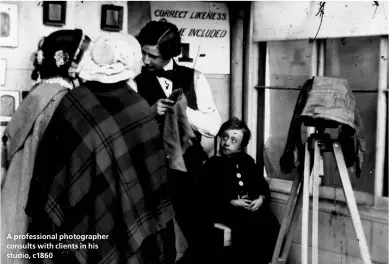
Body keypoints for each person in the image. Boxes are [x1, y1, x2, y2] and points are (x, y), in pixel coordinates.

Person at [24, 34, 176, 264]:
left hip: (80, 213)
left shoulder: (73, 101)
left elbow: (48, 166)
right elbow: (152, 177)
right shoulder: (140, 107)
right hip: (126, 216)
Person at [134, 20, 221, 263]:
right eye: (142, 52)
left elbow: (214, 127)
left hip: (189, 173)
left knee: (203, 239)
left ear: (170, 53)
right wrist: (150, 113)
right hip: (149, 174)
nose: (145, 61)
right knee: (160, 245)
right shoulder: (133, 82)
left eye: (152, 56)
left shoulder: (195, 78)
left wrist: (182, 111)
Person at [1, 29, 91, 264]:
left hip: (20, 175)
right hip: (41, 176)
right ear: (67, 60)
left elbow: (10, 138)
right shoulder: (63, 96)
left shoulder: (40, 90)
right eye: (84, 56)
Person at [204, 117, 280, 264]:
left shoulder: (247, 161)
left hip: (251, 207)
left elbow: (261, 183)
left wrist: (261, 198)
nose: (226, 142)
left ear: (241, 145)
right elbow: (208, 194)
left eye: (234, 140)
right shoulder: (212, 165)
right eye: (224, 137)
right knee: (248, 228)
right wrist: (231, 202)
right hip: (228, 210)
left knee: (271, 224)